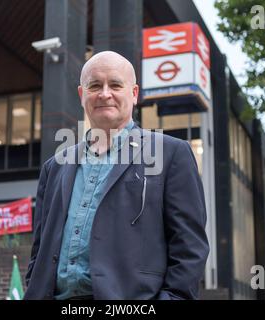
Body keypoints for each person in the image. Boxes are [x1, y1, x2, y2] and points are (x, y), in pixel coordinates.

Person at [24, 51, 209, 300]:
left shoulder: (171, 154)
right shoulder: (55, 166)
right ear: (82, 95)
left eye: (115, 84)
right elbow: (40, 247)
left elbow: (190, 246)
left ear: (134, 93)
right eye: (95, 85)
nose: (104, 94)